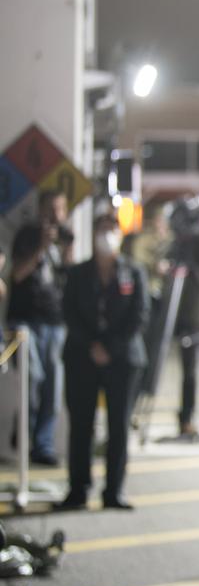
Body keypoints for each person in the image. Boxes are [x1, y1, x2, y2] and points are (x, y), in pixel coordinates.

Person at [56, 208, 149, 510]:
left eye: (113, 229)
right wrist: (92, 345)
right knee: (81, 424)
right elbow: (69, 312)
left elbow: (140, 315)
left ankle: (114, 491)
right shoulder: (78, 273)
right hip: (82, 357)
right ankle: (78, 489)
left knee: (118, 426)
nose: (107, 235)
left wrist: (111, 347)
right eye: (102, 229)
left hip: (123, 360)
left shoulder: (133, 272)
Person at [7, 190, 73, 466]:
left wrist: (65, 252)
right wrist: (41, 248)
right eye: (50, 209)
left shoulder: (67, 238)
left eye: (60, 209)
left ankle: (42, 445)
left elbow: (69, 278)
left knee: (53, 385)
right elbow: (16, 275)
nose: (55, 216)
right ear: (40, 210)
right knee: (32, 377)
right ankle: (23, 433)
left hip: (55, 321)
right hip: (25, 320)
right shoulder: (27, 235)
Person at [164, 195, 199, 441]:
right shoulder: (177, 244)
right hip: (168, 311)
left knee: (190, 371)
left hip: (192, 313)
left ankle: (187, 419)